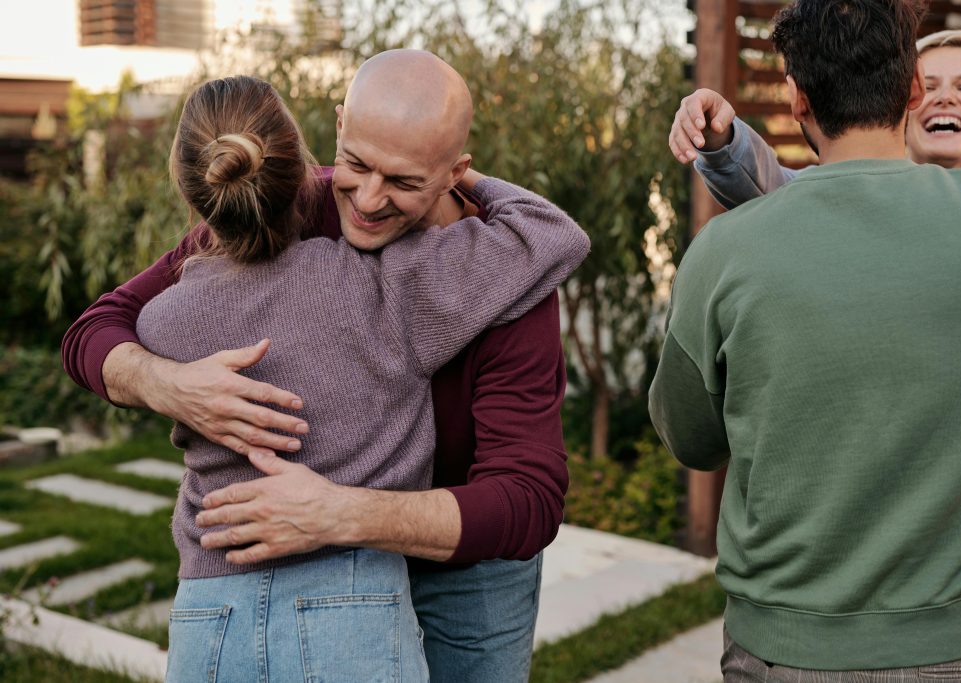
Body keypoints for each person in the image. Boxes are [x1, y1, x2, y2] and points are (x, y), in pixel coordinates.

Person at [62, 50, 580, 682]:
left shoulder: (510, 274)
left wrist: (339, 511)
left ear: (455, 173)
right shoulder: (280, 203)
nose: (365, 199)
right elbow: (95, 330)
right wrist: (171, 385)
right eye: (356, 164)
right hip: (313, 562)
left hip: (466, 565)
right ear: (338, 127)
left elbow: (528, 502)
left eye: (404, 181)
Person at [649, 0, 961, 677]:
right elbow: (773, 182)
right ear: (911, 92)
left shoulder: (724, 252)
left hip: (787, 649)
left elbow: (690, 438)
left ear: (794, 98)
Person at [669, 28, 961, 209]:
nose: (946, 98)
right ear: (910, 98)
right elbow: (773, 183)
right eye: (932, 86)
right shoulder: (858, 191)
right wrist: (720, 134)